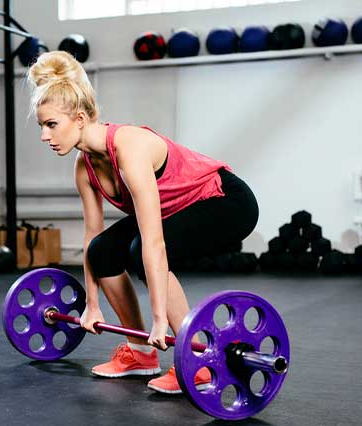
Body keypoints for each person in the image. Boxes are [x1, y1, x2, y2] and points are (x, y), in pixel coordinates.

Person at [27, 51, 258, 394]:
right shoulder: (84, 167)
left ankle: (197, 363)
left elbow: (153, 242)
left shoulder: (129, 148)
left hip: (225, 201)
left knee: (139, 251)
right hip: (177, 209)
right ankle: (140, 353)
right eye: (41, 126)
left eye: (51, 125)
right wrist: (91, 305)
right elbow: (93, 238)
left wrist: (160, 320)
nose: (45, 136)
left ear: (78, 118)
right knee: (104, 251)